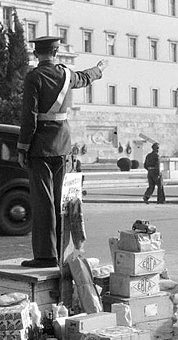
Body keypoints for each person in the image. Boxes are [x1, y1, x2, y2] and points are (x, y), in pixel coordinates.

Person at [17, 36, 109, 268]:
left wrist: (23, 147)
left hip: (40, 148)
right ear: (57, 51)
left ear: (36, 54)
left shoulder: (34, 77)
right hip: (63, 146)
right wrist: (98, 70)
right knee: (62, 203)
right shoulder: (67, 75)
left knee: (43, 203)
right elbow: (85, 77)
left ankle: (45, 256)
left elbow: (29, 116)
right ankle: (61, 253)